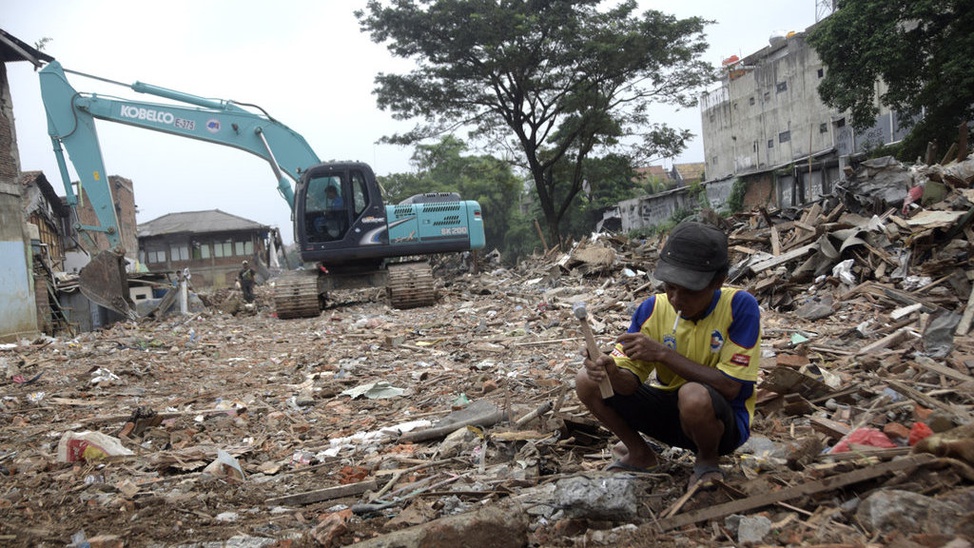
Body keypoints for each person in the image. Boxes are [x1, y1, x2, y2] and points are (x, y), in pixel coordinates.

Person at [576, 221, 762, 491]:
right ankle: (640, 454)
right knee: (587, 380)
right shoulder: (651, 309)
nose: (676, 299)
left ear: (718, 282)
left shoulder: (740, 307)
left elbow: (732, 387)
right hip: (670, 415)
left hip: (720, 424)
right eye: (670, 287)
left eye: (690, 291)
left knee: (693, 395)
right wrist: (611, 372)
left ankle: (707, 461)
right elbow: (630, 385)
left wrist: (663, 354)